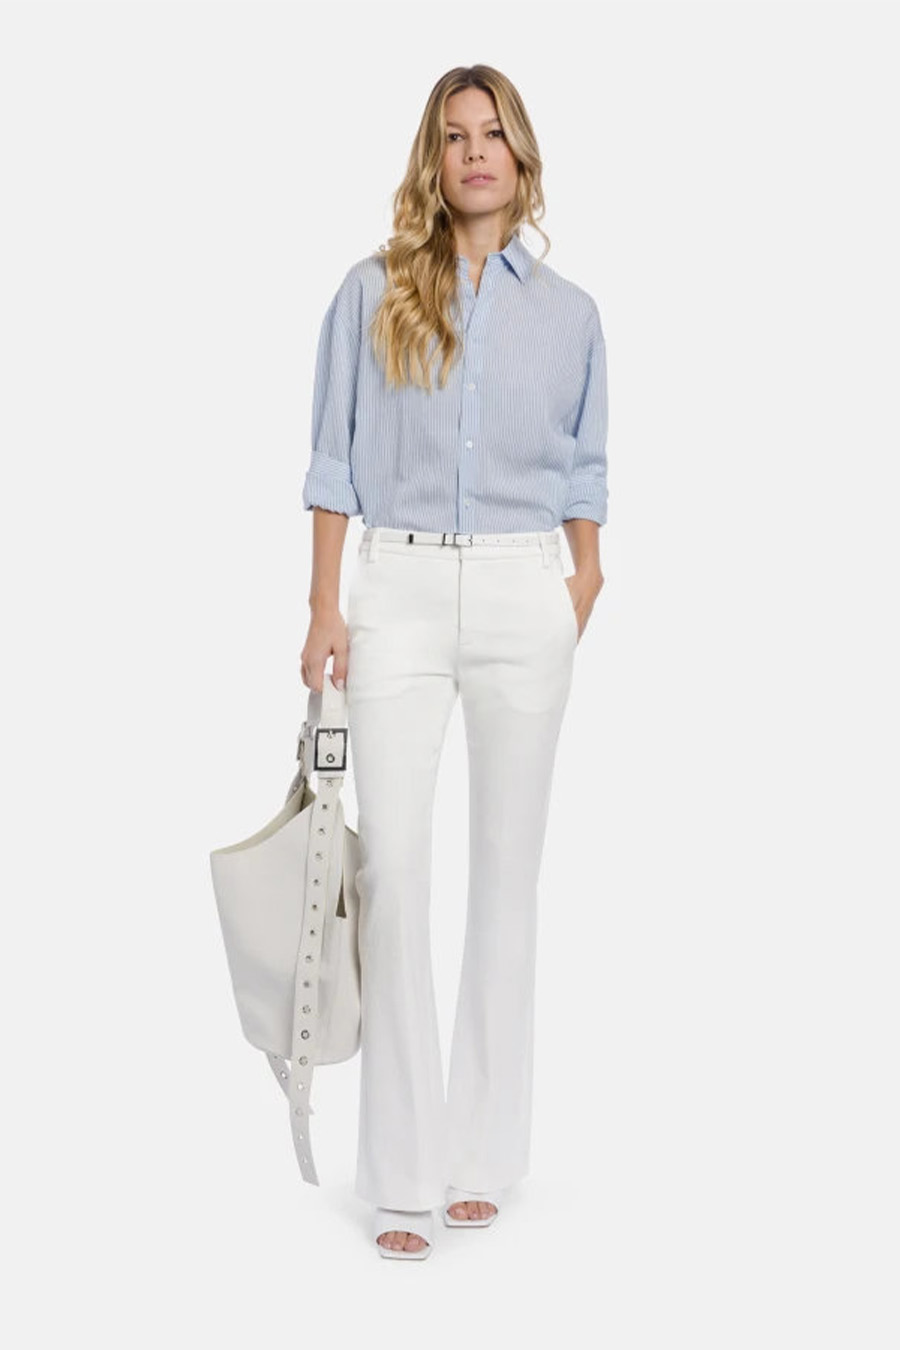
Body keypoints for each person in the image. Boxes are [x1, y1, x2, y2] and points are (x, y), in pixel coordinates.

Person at [299, 65, 608, 1259]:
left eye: (493, 134)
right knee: (396, 875)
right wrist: (324, 606)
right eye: (453, 136)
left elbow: (586, 466)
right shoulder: (371, 291)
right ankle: (401, 1170)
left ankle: (481, 1154)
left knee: (506, 877)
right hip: (401, 591)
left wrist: (585, 579)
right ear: (432, 162)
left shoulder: (572, 315)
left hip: (529, 590)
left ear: (520, 159)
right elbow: (334, 458)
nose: (474, 152)